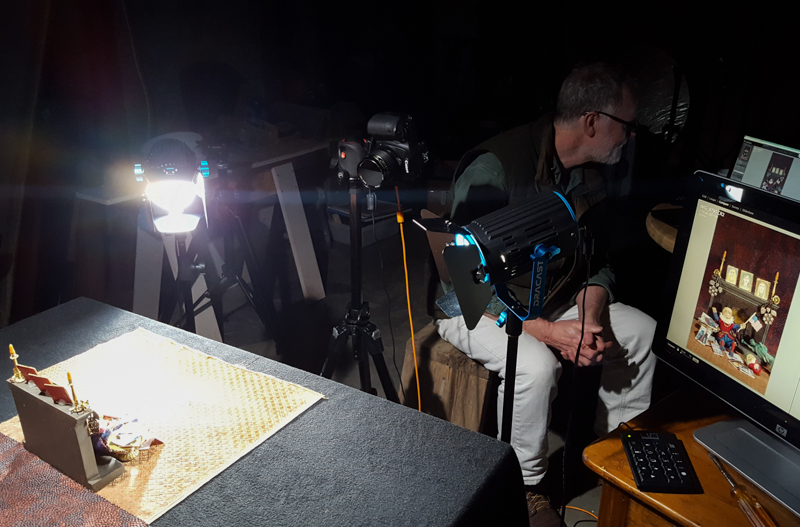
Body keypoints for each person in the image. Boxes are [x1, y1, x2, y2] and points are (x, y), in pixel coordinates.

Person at [436, 63, 657, 525]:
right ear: (593, 122)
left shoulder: (589, 175)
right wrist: (552, 334)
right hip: (473, 305)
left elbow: (599, 262)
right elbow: (463, 278)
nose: (631, 136)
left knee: (641, 331)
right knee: (535, 367)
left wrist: (589, 315)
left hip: (550, 293)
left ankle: (617, 457)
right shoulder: (496, 167)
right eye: (627, 125)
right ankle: (525, 487)